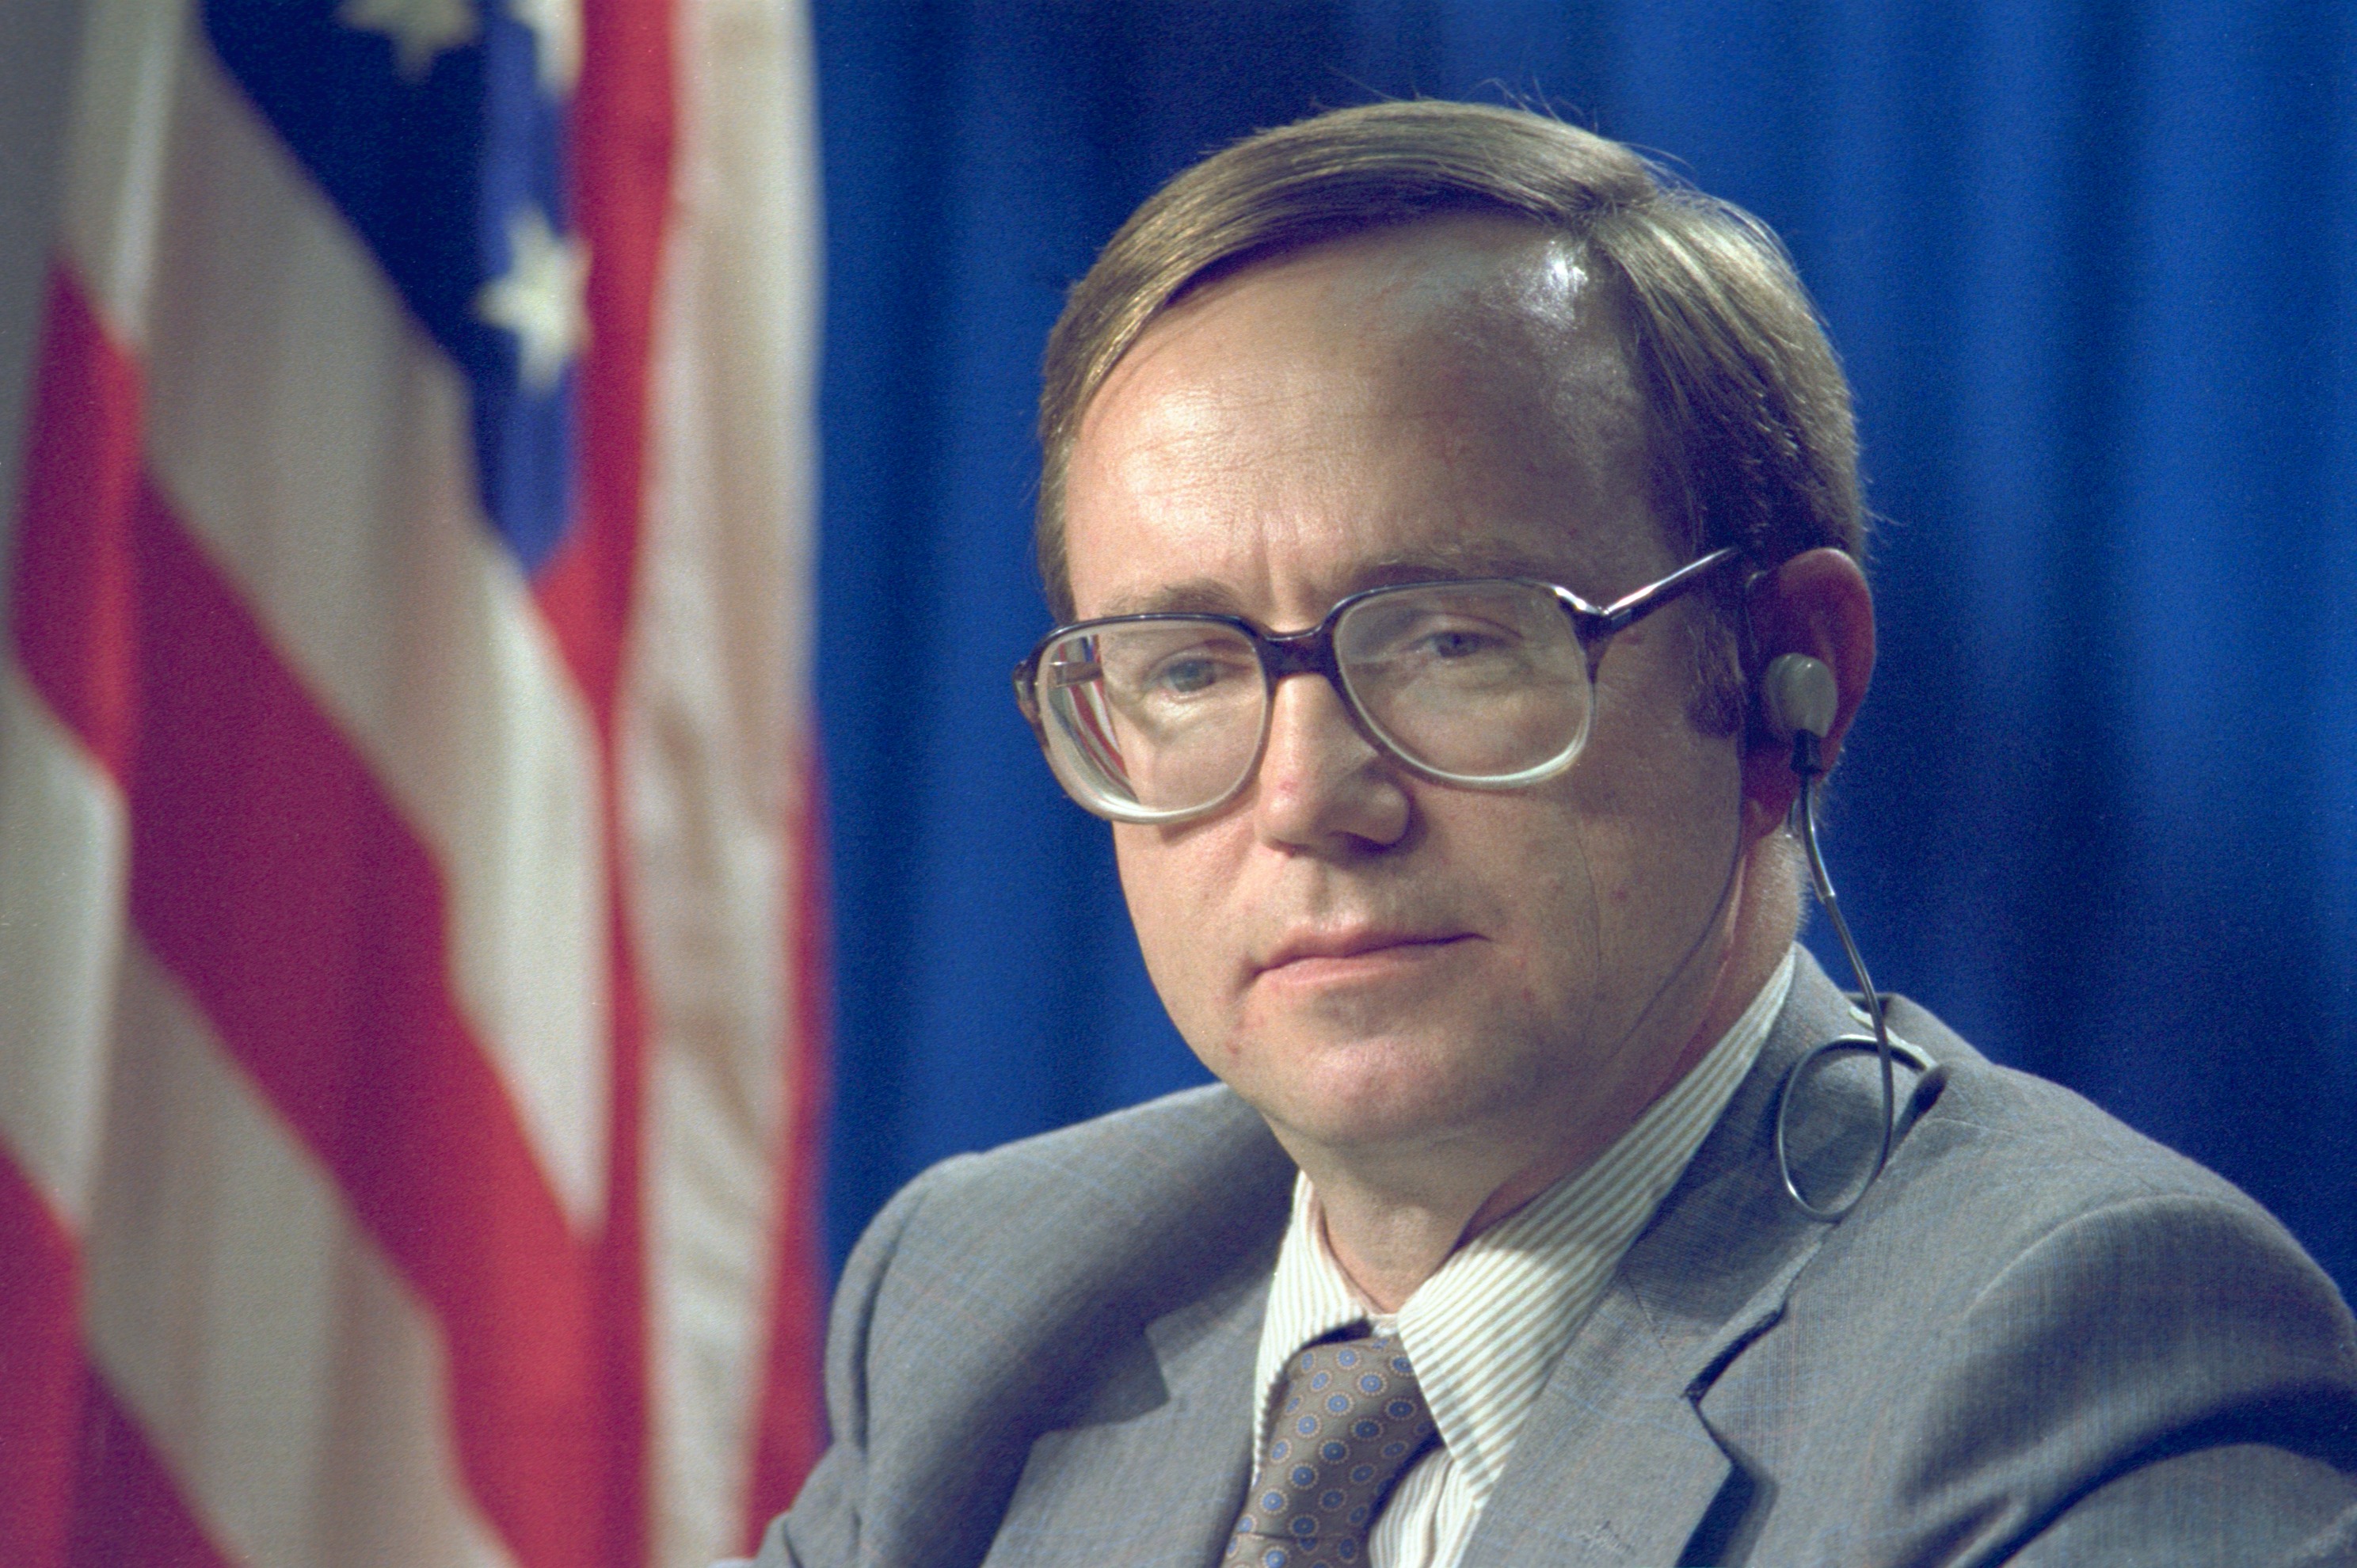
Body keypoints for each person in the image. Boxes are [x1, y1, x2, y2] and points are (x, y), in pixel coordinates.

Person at [745, 101, 2357, 1567]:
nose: (1308, 798)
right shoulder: (989, 1293)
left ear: (1794, 677)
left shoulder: (2081, 1360)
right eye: (1186, 669)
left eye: (1452, 642)